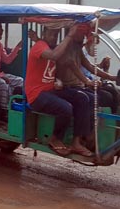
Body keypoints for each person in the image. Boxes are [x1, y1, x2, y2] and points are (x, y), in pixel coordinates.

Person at [26, 25, 93, 157]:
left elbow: (67, 59)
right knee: (66, 108)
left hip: (50, 90)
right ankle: (55, 137)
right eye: (51, 34)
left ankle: (76, 141)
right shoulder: (39, 46)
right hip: (36, 95)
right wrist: (69, 36)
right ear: (44, 34)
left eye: (56, 35)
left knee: (83, 98)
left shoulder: (51, 46)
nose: (53, 37)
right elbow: (54, 56)